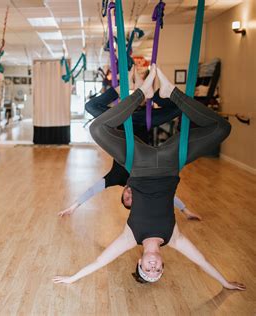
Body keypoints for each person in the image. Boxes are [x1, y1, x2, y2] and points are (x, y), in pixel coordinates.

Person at [53, 66, 244, 290]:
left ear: (139, 262)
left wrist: (72, 278)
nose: (152, 266)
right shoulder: (173, 238)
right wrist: (225, 283)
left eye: (147, 269)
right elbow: (201, 261)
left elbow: (99, 261)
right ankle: (171, 92)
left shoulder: (129, 237)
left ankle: (142, 92)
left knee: (97, 128)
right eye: (157, 270)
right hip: (170, 162)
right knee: (222, 127)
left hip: (139, 163)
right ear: (162, 264)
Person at [59, 67, 201, 220]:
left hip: (121, 120)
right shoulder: (145, 182)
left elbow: (92, 191)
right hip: (143, 122)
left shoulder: (115, 178)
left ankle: (120, 88)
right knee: (180, 108)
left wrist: (73, 207)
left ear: (122, 193)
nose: (129, 195)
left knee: (90, 107)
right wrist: (186, 211)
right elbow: (167, 195)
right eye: (132, 199)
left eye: (126, 198)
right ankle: (151, 95)